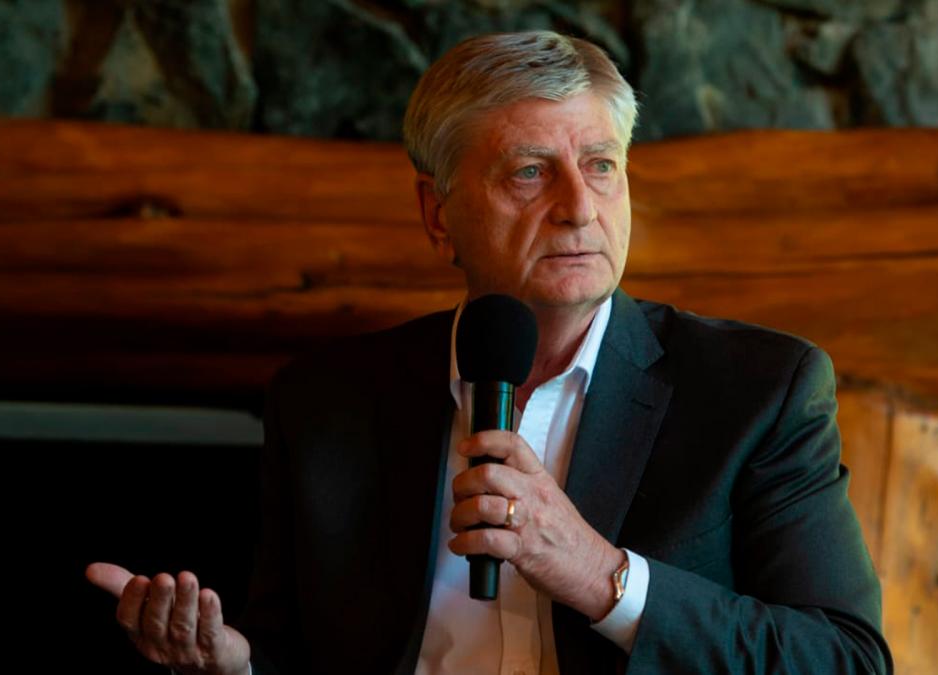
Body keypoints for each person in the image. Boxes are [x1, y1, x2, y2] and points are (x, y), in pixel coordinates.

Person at [88, 31, 892, 675]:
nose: (579, 208)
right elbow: (291, 653)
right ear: (438, 215)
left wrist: (600, 574)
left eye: (601, 167)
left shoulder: (758, 391)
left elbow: (845, 659)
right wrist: (233, 664)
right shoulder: (323, 401)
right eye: (530, 172)